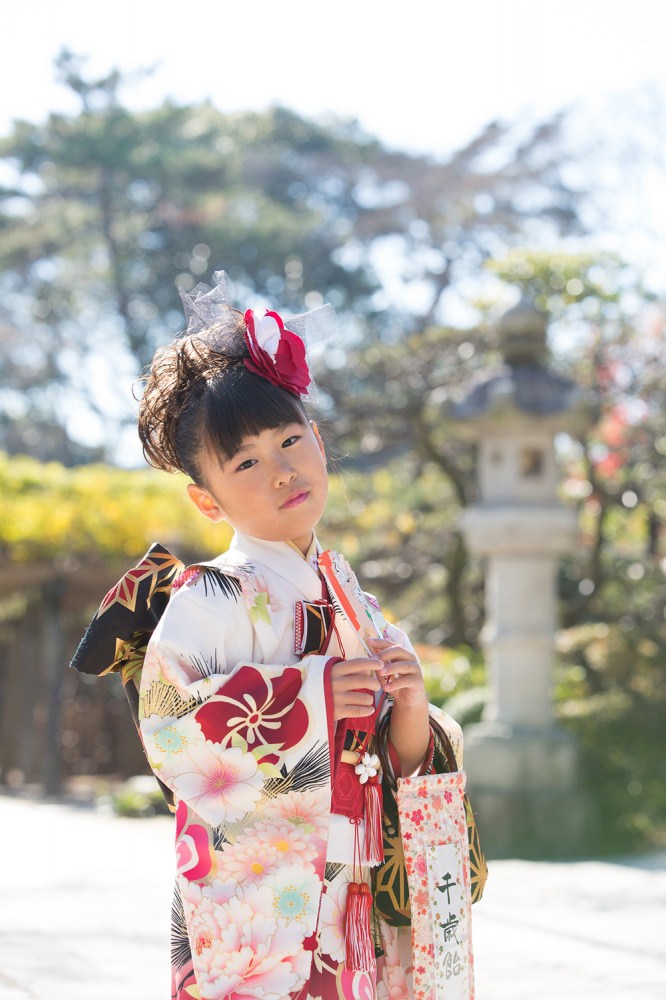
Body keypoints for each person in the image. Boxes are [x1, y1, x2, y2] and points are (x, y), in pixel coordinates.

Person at [128, 272, 466, 999]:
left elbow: (402, 759)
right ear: (205, 499)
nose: (280, 470)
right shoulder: (213, 596)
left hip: (357, 879)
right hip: (263, 894)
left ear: (318, 440)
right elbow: (167, 729)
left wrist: (410, 711)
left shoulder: (353, 597)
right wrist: (309, 695)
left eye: (289, 440)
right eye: (246, 462)